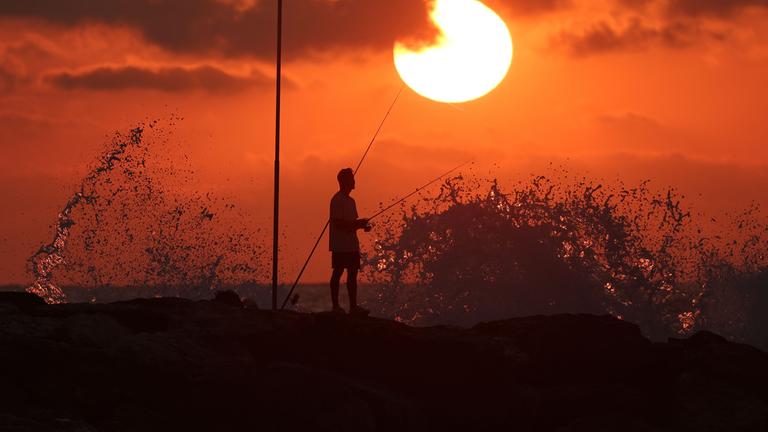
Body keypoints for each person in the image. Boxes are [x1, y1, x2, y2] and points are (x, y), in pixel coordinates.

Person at [329, 168, 371, 315]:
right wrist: (358, 224)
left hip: (352, 244)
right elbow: (339, 223)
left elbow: (351, 223)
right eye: (352, 179)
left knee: (352, 274)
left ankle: (353, 307)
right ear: (345, 181)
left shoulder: (351, 201)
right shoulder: (336, 200)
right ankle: (335, 306)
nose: (354, 181)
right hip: (340, 245)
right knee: (338, 272)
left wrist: (362, 225)